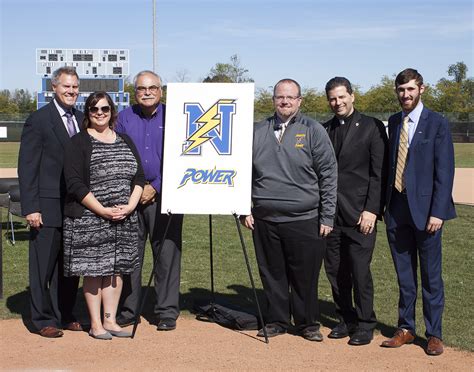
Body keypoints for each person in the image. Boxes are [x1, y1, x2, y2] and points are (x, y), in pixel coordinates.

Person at [241, 78, 337, 341]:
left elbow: (328, 174)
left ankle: (307, 324)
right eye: (280, 97)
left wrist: (327, 215)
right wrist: (243, 209)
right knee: (272, 273)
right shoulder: (257, 131)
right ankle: (276, 320)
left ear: (299, 101)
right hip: (265, 218)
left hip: (304, 218)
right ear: (273, 100)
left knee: (304, 275)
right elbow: (242, 173)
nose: (284, 101)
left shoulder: (313, 130)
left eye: (290, 97)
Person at [382, 68, 456, 356]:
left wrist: (438, 212)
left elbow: (445, 170)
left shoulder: (437, 122)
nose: (405, 95)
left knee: (430, 276)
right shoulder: (394, 121)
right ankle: (406, 328)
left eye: (410, 89)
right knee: (404, 276)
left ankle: (434, 334)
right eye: (401, 90)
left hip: (427, 214)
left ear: (421, 89)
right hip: (397, 209)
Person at [63, 91, 144, 339]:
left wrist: (130, 206)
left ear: (112, 112)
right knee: (95, 271)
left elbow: (139, 177)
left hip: (123, 218)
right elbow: (75, 184)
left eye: (104, 109)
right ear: (87, 113)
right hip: (90, 218)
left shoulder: (125, 140)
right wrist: (103, 211)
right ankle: (95, 323)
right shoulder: (78, 142)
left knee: (115, 270)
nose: (100, 113)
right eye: (94, 109)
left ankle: (110, 321)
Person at [116, 71, 184, 331]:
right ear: (135, 92)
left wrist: (155, 186)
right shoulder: (123, 117)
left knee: (166, 254)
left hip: (166, 196)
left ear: (161, 91)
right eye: (141, 88)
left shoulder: (175, 116)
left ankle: (166, 312)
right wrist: (138, 188)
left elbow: (181, 156)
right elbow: (119, 155)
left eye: (152, 87)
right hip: (130, 197)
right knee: (130, 255)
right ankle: (128, 309)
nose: (147, 92)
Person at [18, 66, 82, 338]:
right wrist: (31, 207)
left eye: (75, 87)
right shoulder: (39, 120)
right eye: (66, 86)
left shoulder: (82, 118)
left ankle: (65, 315)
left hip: (74, 208)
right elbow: (28, 167)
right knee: (43, 267)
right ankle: (42, 318)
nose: (71, 91)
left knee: (69, 269)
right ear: (54, 88)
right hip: (46, 206)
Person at [323, 77, 388, 345]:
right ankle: (345, 318)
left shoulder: (371, 126)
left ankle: (365, 323)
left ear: (352, 95)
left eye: (341, 97)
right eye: (332, 99)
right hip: (330, 215)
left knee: (360, 271)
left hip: (361, 214)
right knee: (335, 271)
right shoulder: (325, 129)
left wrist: (372, 210)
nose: (337, 103)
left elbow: (379, 173)